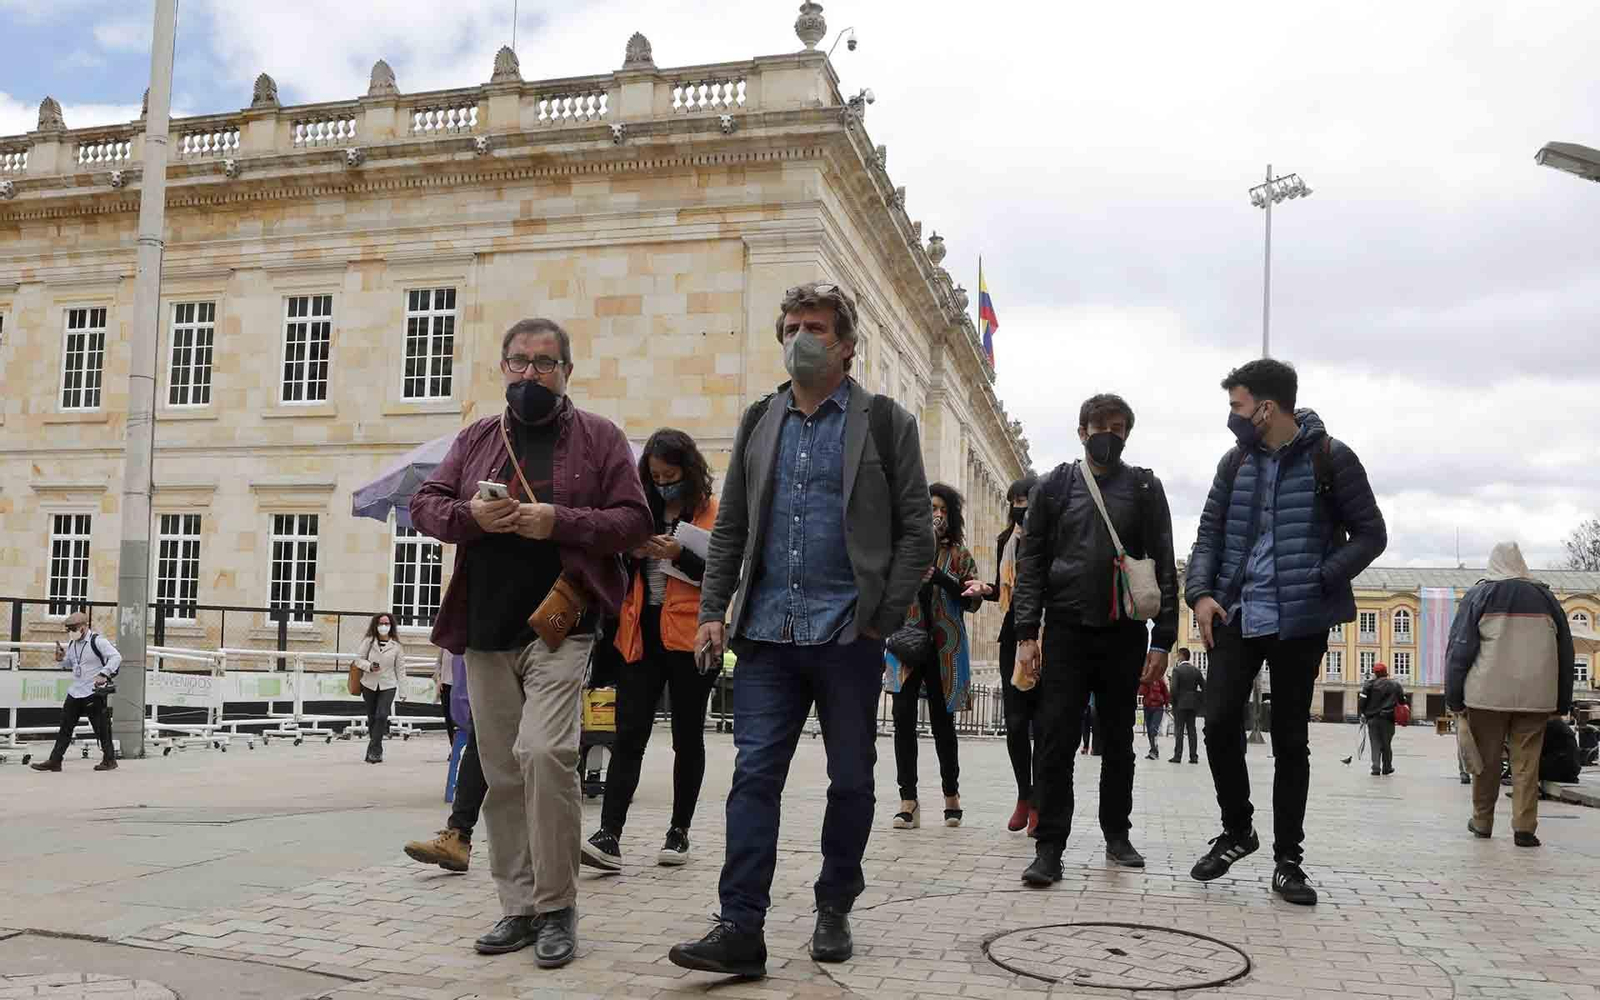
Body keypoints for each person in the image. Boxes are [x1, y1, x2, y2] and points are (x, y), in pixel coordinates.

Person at [667, 282, 933, 979]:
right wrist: (714, 612)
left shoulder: (886, 424)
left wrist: (881, 616)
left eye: (814, 326)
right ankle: (741, 927)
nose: (799, 338)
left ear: (846, 343)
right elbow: (730, 530)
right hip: (765, 637)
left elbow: (916, 535)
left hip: (848, 636)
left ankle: (835, 901)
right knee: (754, 777)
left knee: (852, 780)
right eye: (789, 327)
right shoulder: (760, 419)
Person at [410, 317, 652, 969]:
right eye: (518, 362)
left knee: (547, 753)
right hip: (485, 629)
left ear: (567, 372)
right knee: (506, 770)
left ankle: (557, 908)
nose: (530, 374)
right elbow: (425, 505)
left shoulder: (601, 438)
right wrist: (470, 517)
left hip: (561, 624)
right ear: (503, 369)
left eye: (544, 363)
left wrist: (557, 521)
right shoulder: (478, 439)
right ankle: (517, 907)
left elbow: (634, 521)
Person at [1185, 358, 1386, 905]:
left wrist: (1322, 575)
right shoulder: (1234, 464)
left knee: (1290, 741)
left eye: (1237, 406)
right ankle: (1238, 829)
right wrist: (1201, 594)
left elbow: (1372, 534)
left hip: (1300, 620)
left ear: (1267, 407)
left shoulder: (1332, 458)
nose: (1233, 417)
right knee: (1219, 721)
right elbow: (1208, 536)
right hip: (1238, 615)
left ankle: (1288, 860)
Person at [1012, 392, 1179, 885]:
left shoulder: (1145, 488)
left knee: (1118, 741)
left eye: (1119, 426)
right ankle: (1050, 847)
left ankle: (1117, 834)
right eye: (1101, 425)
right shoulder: (1055, 486)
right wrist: (1027, 632)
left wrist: (1162, 640)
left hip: (1124, 631)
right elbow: (1032, 564)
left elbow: (1164, 564)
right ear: (1082, 430)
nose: (1110, 433)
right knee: (1056, 739)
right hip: (1064, 628)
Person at [582, 428, 721, 871]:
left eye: (671, 475)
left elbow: (722, 576)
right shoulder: (640, 510)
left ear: (689, 470)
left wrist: (680, 553)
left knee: (687, 737)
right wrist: (631, 551)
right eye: (656, 476)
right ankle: (609, 834)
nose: (663, 484)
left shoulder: (712, 513)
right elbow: (615, 569)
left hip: (691, 640)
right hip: (639, 634)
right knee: (629, 734)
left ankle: (678, 832)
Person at [1446, 541, 1575, 848]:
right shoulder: (1547, 598)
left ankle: (1482, 820)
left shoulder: (1479, 595)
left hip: (1486, 695)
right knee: (1527, 764)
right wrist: (1562, 701)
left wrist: (1453, 697)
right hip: (1536, 696)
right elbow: (1565, 652)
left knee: (1487, 761)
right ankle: (1524, 827)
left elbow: (1460, 649)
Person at [886, 483, 988, 831]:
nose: (937, 514)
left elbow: (974, 598)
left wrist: (943, 578)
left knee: (944, 724)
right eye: (931, 507)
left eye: (943, 508)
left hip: (945, 647)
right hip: (905, 644)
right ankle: (907, 800)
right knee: (902, 718)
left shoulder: (959, 554)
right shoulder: (903, 549)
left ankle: (951, 795)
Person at [987, 475, 1040, 834]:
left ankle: (1040, 800)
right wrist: (981, 589)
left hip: (1046, 634)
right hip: (1012, 636)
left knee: (1047, 723)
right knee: (1016, 722)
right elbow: (1003, 590)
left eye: (1026, 499)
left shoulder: (1053, 538)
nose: (1019, 506)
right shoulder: (1005, 541)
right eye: (1015, 500)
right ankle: (1024, 795)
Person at [404, 653, 485, 873]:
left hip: (550, 649)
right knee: (480, 742)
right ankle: (458, 836)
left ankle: (558, 840)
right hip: (500, 653)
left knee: (543, 753)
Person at [31, 611, 120, 772]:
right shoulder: (73, 644)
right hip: (76, 691)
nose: (70, 632)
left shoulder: (97, 641)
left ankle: (109, 759)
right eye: (68, 629)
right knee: (65, 726)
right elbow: (71, 663)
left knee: (101, 727)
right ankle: (55, 761)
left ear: (84, 627)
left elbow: (116, 657)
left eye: (73, 628)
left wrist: (104, 674)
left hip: (93, 691)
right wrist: (61, 659)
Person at [355, 612, 405, 764]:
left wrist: (403, 690)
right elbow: (358, 660)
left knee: (382, 715)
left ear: (391, 626)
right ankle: (375, 750)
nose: (384, 626)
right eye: (381, 623)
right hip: (369, 684)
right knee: (372, 717)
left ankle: (374, 751)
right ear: (376, 625)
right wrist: (369, 666)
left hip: (388, 685)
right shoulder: (369, 642)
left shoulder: (397, 646)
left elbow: (400, 669)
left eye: (387, 623)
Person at [1358, 662, 1405, 776]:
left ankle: (1375, 768)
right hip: (1388, 719)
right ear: (1386, 672)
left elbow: (1362, 702)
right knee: (1386, 744)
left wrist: (1363, 714)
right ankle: (1387, 768)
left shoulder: (1368, 685)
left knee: (1375, 743)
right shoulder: (1395, 685)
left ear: (1375, 673)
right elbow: (1403, 701)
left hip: (1372, 719)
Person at [1169, 648, 1203, 763]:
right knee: (1192, 730)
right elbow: (1204, 687)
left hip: (1180, 705)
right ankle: (1193, 757)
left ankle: (1177, 756)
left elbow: (1173, 689)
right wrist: (1197, 699)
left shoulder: (1177, 671)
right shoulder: (1196, 671)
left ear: (1182, 656)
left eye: (1178, 655)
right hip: (1193, 705)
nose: (1177, 657)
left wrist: (1174, 702)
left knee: (1179, 730)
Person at [1140, 670, 1169, 761]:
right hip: (1147, 706)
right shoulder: (1145, 679)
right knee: (1149, 730)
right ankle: (1153, 750)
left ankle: (1154, 752)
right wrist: (1145, 682)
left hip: (1158, 707)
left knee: (1153, 728)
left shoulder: (1159, 679)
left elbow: (1165, 692)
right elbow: (1141, 692)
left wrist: (1167, 704)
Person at [434, 646, 458, 746]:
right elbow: (439, 663)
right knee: (449, 718)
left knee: (460, 719)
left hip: (462, 686)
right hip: (446, 685)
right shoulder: (444, 645)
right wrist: (438, 680)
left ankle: (462, 748)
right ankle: (453, 747)